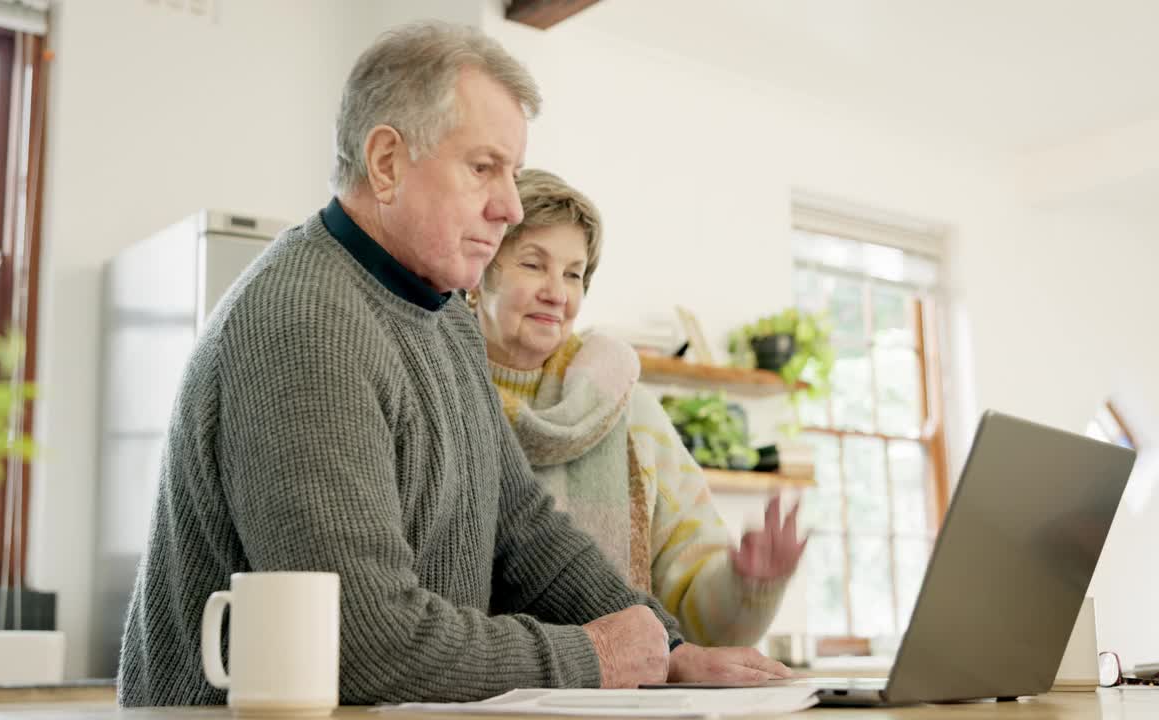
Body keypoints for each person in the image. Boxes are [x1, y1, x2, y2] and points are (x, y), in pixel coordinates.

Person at [117, 22, 789, 708]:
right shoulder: (305, 323)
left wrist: (670, 653)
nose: (512, 206)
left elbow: (525, 533)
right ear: (386, 162)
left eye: (515, 174)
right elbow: (366, 644)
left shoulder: (446, 320)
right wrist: (591, 657)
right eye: (483, 168)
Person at [470, 168, 808, 647]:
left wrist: (749, 586)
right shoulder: (442, 395)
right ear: (479, 271)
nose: (557, 291)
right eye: (532, 264)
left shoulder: (629, 412)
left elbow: (696, 623)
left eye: (573, 273)